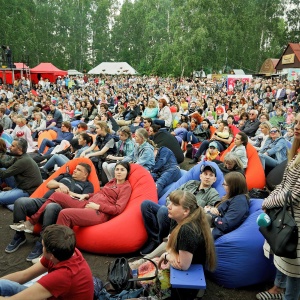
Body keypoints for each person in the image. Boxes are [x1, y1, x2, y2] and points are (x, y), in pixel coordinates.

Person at [7, 163, 94, 261]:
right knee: (20, 202)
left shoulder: (88, 185)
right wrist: (60, 184)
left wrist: (66, 193)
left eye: (78, 170)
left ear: (85, 174)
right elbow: (49, 184)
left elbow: (82, 202)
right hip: (44, 201)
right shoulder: (65, 176)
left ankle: (41, 243)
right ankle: (19, 236)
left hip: (60, 207)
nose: (74, 170)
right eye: (75, 168)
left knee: (51, 207)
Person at [256, 113, 300, 300]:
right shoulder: (296, 152)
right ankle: (278, 289)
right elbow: (283, 184)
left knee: (294, 264)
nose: (296, 126)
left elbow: (296, 193)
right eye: (296, 122)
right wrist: (271, 198)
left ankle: (289, 296)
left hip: (296, 216)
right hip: (286, 211)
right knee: (282, 254)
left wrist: (268, 201)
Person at [25, 161, 132, 229]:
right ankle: (32, 222)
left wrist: (98, 207)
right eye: (117, 169)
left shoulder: (126, 187)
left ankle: (55, 249)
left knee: (64, 214)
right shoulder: (112, 182)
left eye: (122, 170)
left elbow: (118, 209)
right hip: (87, 203)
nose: (119, 172)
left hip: (98, 212)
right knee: (56, 195)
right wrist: (86, 195)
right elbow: (100, 193)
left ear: (127, 172)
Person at [140, 164, 220, 255]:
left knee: (163, 211)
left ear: (215, 179)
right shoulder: (190, 183)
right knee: (146, 204)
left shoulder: (213, 194)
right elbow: (172, 195)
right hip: (171, 209)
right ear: (200, 176)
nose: (207, 177)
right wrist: (171, 206)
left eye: (211, 175)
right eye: (205, 174)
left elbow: (209, 213)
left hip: (184, 218)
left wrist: (210, 209)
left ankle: (159, 242)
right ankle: (154, 238)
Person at [0, 224, 94, 300]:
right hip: (56, 292)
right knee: (3, 284)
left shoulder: (63, 275)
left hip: (56, 287)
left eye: (43, 246)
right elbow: (24, 275)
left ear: (51, 255)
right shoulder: (64, 251)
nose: (41, 248)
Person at [157, 190, 216, 300]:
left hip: (187, 278)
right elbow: (170, 244)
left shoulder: (187, 230)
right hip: (181, 263)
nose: (169, 206)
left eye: (174, 204)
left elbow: (184, 266)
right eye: (170, 202)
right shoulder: (177, 219)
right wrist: (171, 253)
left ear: (186, 211)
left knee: (145, 283)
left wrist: (165, 256)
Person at [204, 171, 249, 240]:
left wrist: (211, 214)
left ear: (233, 187)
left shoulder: (239, 202)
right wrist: (212, 209)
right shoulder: (231, 197)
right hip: (212, 226)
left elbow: (225, 225)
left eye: (225, 184)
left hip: (216, 233)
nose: (223, 187)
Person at [0, 138, 42, 209]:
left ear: (19, 150)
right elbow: (5, 165)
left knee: (0, 198)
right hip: (22, 184)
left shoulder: (23, 161)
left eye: (13, 146)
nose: (10, 147)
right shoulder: (19, 157)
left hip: (27, 191)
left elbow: (3, 174)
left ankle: (14, 203)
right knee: (3, 169)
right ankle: (11, 200)